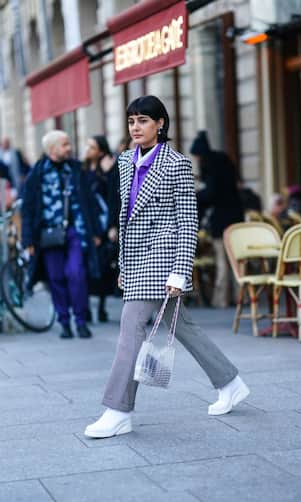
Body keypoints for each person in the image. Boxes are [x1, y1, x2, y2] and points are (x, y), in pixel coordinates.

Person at [84, 95, 250, 439]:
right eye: (132, 121)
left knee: (131, 326)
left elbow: (188, 220)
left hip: (162, 258)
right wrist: (125, 263)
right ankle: (230, 382)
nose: (136, 127)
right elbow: (126, 215)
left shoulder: (177, 164)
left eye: (143, 120)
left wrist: (180, 269)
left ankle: (117, 410)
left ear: (161, 124)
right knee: (184, 327)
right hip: (136, 259)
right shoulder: (126, 161)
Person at [21, 130, 100, 339]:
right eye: (65, 145)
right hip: (47, 234)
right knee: (56, 278)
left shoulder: (75, 169)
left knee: (76, 274)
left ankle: (81, 321)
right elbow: (27, 210)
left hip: (74, 231)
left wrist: (95, 231)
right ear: (52, 149)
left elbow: (88, 201)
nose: (69, 148)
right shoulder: (36, 174)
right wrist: (28, 240)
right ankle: (64, 322)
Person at [190, 131, 244, 307]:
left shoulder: (210, 167)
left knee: (222, 261)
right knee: (235, 260)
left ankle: (221, 300)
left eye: (197, 157)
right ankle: (240, 296)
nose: (196, 160)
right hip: (237, 218)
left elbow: (211, 194)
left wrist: (196, 195)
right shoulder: (224, 161)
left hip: (221, 221)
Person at [83, 135, 120, 322]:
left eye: (92, 147)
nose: (88, 150)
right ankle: (87, 308)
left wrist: (108, 172)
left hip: (104, 223)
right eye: (88, 146)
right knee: (86, 268)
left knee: (104, 266)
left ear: (101, 150)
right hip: (87, 225)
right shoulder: (83, 169)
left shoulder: (108, 169)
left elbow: (114, 196)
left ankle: (102, 307)